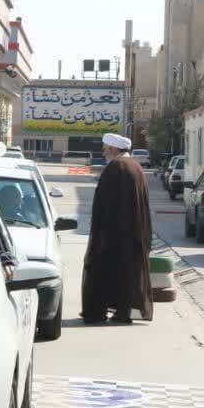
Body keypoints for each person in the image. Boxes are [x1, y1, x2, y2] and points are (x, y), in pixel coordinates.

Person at [81, 132, 153, 325]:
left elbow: (106, 204)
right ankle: (123, 312)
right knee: (125, 273)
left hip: (115, 233)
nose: (104, 152)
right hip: (132, 232)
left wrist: (101, 234)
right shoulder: (135, 166)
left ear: (113, 149)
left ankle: (98, 312)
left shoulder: (116, 167)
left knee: (103, 271)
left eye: (105, 149)